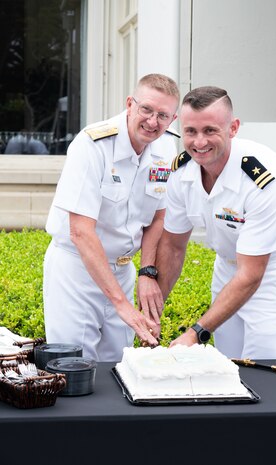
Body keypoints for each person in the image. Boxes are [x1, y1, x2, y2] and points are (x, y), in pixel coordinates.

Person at [155, 85, 276, 360]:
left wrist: (195, 332)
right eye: (191, 131)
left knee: (263, 367)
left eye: (210, 130)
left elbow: (251, 274)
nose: (199, 142)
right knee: (226, 364)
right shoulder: (180, 172)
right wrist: (154, 315)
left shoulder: (266, 179)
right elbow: (173, 246)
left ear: (233, 127)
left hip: (271, 274)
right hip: (227, 267)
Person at [43, 73, 180, 361]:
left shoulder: (166, 147)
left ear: (173, 118)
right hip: (77, 271)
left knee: (119, 366)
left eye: (163, 115)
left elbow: (158, 218)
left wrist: (147, 272)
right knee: (75, 365)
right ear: (130, 104)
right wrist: (122, 305)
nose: (153, 122)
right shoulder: (92, 145)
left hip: (123, 269)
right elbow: (80, 231)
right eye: (146, 110)